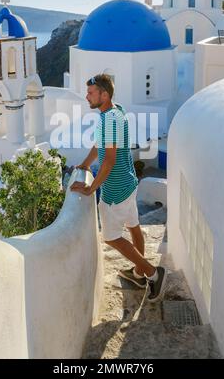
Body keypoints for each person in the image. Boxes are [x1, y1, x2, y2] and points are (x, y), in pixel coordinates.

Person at [70, 74, 167, 303]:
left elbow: (109, 160)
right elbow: (100, 144)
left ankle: (153, 273)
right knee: (133, 227)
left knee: (112, 238)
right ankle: (139, 274)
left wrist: (90, 189)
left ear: (104, 95)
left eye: (91, 93)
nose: (87, 96)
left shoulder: (109, 120)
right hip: (129, 182)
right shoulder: (116, 110)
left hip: (115, 191)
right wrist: (85, 164)